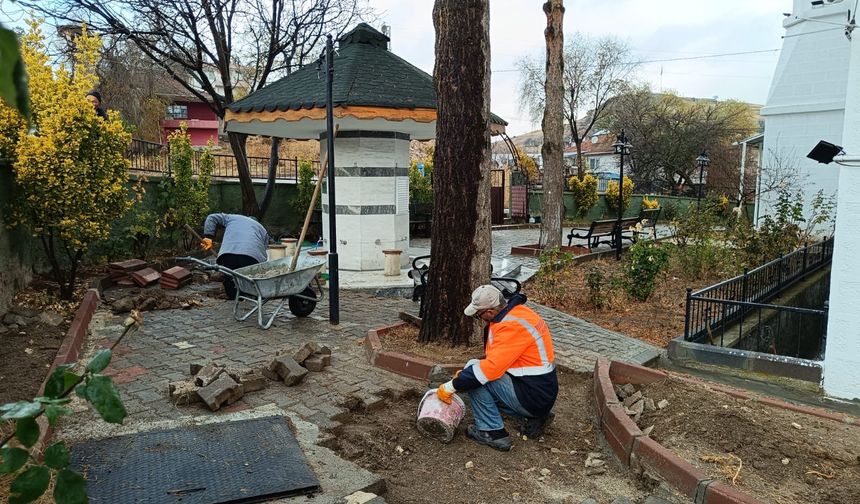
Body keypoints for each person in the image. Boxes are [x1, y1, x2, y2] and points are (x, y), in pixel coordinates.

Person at [436, 285, 558, 452]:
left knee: (476, 379)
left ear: (490, 312)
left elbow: (488, 371)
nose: (480, 319)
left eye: (479, 315)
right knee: (473, 370)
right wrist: (464, 375)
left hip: (533, 396)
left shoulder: (510, 326)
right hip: (539, 391)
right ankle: (534, 416)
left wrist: (451, 386)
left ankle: (491, 432)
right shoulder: (518, 313)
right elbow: (499, 359)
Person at [201, 213, 270, 299]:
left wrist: (208, 237)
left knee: (230, 282)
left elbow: (212, 217)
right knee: (250, 282)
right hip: (252, 257)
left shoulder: (233, 218)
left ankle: (235, 298)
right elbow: (265, 249)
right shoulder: (262, 228)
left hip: (228, 254)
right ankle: (249, 297)